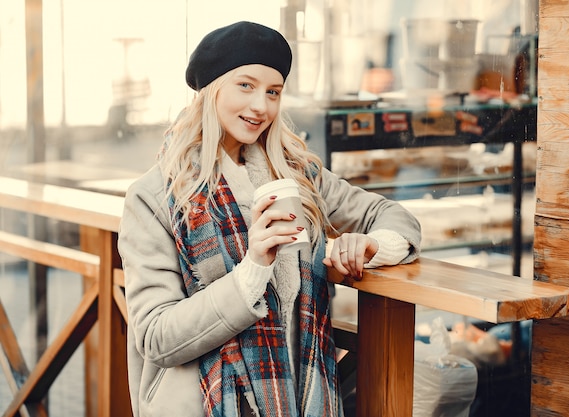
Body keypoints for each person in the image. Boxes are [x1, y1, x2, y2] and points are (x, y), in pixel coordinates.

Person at [118, 21, 421, 417]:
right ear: (212, 90)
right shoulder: (156, 197)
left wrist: (371, 244)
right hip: (203, 403)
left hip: (299, 396)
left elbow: (395, 217)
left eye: (273, 92)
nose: (261, 106)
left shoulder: (297, 175)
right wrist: (252, 269)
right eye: (246, 85)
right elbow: (156, 337)